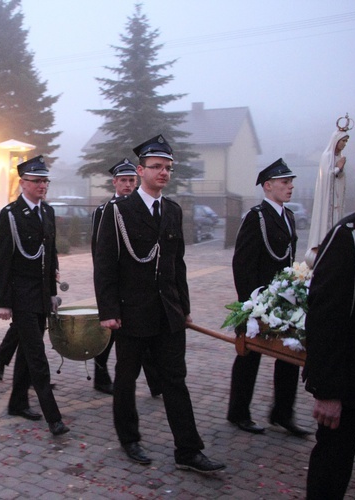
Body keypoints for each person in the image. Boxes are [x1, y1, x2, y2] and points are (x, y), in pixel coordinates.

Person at [94, 135, 224, 473]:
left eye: (168, 167)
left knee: (175, 380)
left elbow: (176, 263)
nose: (163, 172)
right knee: (126, 378)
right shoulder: (118, 211)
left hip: (168, 312)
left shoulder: (173, 210)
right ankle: (129, 438)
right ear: (140, 171)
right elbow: (105, 264)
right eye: (156, 167)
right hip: (131, 311)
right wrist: (108, 312)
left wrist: (184, 305)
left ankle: (188, 450)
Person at [303, 154, 355, 500]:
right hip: (351, 389)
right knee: (330, 474)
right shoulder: (350, 237)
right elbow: (324, 318)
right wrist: (326, 391)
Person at [227, 159, 310, 437]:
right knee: (249, 354)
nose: (290, 187)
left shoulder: (288, 216)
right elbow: (242, 262)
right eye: (285, 182)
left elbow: (288, 259)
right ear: (268, 185)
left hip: (285, 300)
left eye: (290, 182)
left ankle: (283, 413)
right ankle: (238, 412)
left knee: (289, 353)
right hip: (259, 299)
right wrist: (250, 304)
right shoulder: (257, 217)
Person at [0, 155, 69, 436]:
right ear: (22, 183)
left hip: (39, 296)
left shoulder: (47, 212)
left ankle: (17, 403)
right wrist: (2, 301)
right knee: (37, 356)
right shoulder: (9, 215)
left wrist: (51, 293)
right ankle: (54, 417)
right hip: (20, 295)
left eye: (45, 180)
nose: (42, 185)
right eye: (36, 181)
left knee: (25, 351)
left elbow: (50, 255)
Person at [90, 158, 161, 397]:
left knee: (146, 337)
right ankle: (101, 376)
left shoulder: (141, 207)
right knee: (109, 337)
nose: (128, 185)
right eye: (124, 180)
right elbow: (99, 251)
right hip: (115, 285)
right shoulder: (104, 211)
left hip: (138, 285)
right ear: (115, 183)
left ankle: (155, 382)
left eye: (132, 180)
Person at [305, 117, 352, 267]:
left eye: (346, 141)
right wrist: (338, 168)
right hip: (327, 202)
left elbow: (339, 178)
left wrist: (340, 169)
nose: (344, 144)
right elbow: (326, 177)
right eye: (342, 141)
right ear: (335, 140)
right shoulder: (326, 156)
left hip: (336, 202)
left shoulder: (339, 157)